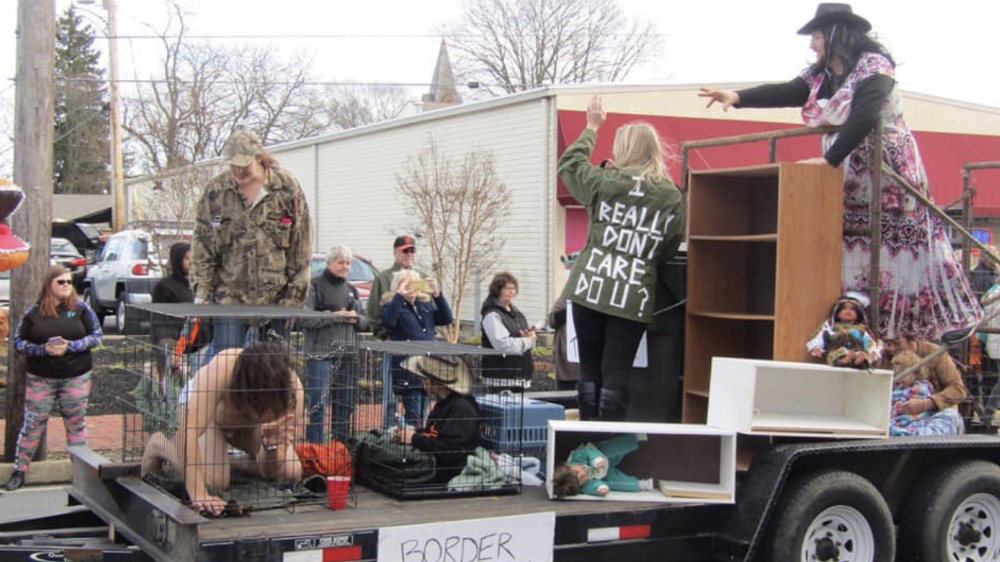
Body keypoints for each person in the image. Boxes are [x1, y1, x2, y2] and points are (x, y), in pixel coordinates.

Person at [698, 3, 982, 341]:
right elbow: (788, 91)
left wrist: (829, 159)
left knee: (892, 249)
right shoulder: (821, 75)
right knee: (853, 249)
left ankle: (909, 328)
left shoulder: (874, 68)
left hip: (887, 175)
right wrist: (738, 96)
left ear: (835, 34)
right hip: (849, 177)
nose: (812, 44)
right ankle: (859, 328)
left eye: (816, 36)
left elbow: (864, 116)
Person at [557, 96, 685, 421]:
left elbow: (570, 165)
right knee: (617, 373)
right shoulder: (670, 194)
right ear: (654, 150)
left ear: (624, 149)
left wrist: (591, 127)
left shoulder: (605, 182)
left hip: (590, 286)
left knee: (589, 371)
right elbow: (670, 243)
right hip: (632, 293)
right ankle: (610, 441)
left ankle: (587, 440)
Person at [141, 341, 305, 516]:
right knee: (214, 480)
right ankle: (160, 445)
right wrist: (199, 494)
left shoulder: (292, 396)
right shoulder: (220, 370)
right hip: (209, 419)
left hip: (248, 427)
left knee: (290, 470)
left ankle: (226, 461)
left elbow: (269, 471)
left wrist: (271, 445)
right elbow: (190, 431)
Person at [191, 130, 312, 353]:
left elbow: (300, 248)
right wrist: (202, 294)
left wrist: (294, 300)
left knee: (271, 371)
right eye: (232, 165)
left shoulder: (286, 188)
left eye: (243, 165)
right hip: (230, 297)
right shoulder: (215, 192)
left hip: (276, 299)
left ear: (258, 157)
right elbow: (203, 248)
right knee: (225, 367)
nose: (237, 171)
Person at [6, 266, 102, 491]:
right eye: (61, 282)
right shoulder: (34, 313)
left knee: (75, 423)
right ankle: (20, 470)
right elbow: (19, 342)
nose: (67, 286)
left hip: (76, 375)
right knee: (33, 423)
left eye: (69, 282)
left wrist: (72, 346)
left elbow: (97, 336)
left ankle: (80, 472)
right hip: (42, 377)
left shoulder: (82, 309)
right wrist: (42, 350)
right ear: (49, 284)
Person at [301, 244, 369, 444]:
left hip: (347, 355)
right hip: (319, 355)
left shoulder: (352, 290)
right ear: (329, 263)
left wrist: (355, 317)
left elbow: (366, 321)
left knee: (345, 403)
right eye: (341, 263)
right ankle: (315, 446)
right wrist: (333, 316)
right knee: (318, 404)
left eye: (348, 263)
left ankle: (341, 446)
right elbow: (304, 319)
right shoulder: (314, 286)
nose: (345, 267)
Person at [381, 269, 454, 426]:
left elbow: (446, 318)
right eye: (407, 285)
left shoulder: (425, 306)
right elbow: (389, 322)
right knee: (413, 414)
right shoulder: (393, 306)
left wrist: (437, 294)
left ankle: (417, 439)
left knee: (425, 413)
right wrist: (400, 295)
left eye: (415, 284)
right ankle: (410, 442)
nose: (412, 289)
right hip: (408, 369)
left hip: (427, 368)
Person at [393, 355, 481, 484]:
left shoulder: (462, 408)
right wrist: (412, 433)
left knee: (394, 461)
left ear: (434, 381)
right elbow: (434, 433)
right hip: (434, 463)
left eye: (425, 378)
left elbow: (452, 452)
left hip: (448, 470)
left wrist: (414, 438)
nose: (423, 382)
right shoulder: (444, 402)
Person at [883, 334, 968, 424]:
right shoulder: (886, 356)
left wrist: (928, 403)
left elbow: (958, 390)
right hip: (897, 417)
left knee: (950, 415)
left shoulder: (935, 353)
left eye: (897, 343)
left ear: (912, 339)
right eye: (888, 343)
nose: (892, 348)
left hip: (934, 414)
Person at [551, 434, 654, 498]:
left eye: (578, 472)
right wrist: (600, 488)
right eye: (582, 480)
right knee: (614, 483)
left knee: (614, 449)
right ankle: (642, 485)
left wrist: (596, 460)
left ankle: (635, 439)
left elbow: (587, 452)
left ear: (569, 466)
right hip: (603, 475)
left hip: (602, 456)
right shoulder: (583, 487)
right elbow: (591, 487)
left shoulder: (576, 458)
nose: (583, 474)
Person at [480, 272, 536, 389]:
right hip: (501, 377)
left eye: (514, 288)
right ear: (497, 290)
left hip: (520, 375)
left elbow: (520, 337)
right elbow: (502, 344)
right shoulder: (492, 315)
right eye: (507, 288)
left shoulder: (517, 314)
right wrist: (528, 341)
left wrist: (528, 336)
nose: (512, 292)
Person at [889, 350, 964, 436]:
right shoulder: (897, 388)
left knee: (950, 414)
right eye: (897, 375)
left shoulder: (921, 387)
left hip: (917, 420)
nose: (900, 379)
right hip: (899, 422)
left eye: (904, 374)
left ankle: (916, 434)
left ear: (916, 373)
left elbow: (910, 401)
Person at [366, 235, 427, 339]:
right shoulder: (383, 278)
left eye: (412, 251)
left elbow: (429, 307)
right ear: (395, 253)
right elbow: (373, 312)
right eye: (405, 251)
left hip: (420, 340)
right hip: (393, 340)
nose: (409, 254)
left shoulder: (422, 277)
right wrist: (384, 334)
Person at [806, 292, 881, 368]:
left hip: (856, 348)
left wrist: (872, 351)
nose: (848, 311)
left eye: (852, 309)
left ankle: (859, 358)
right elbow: (821, 337)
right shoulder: (831, 327)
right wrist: (816, 347)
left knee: (860, 354)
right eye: (844, 308)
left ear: (858, 314)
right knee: (837, 353)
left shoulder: (861, 329)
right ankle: (845, 359)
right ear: (837, 312)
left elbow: (868, 341)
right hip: (836, 349)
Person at [547, 295, 580, 392]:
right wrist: (569, 310)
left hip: (587, 363)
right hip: (566, 361)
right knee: (565, 398)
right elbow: (552, 321)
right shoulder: (565, 299)